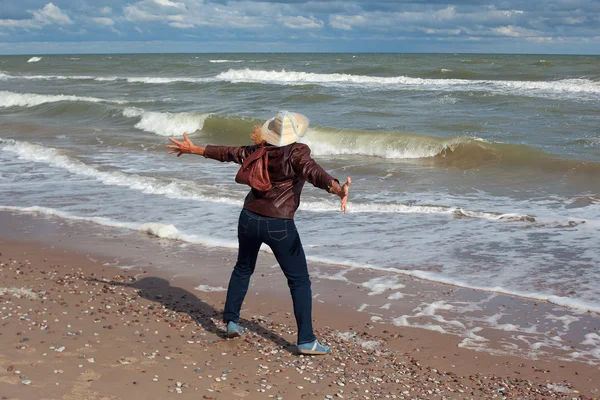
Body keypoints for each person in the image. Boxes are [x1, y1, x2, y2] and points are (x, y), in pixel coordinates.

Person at [166, 111, 351, 355]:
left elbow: (228, 153)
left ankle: (232, 321)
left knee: (243, 269)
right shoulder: (297, 151)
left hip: (249, 219)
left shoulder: (258, 149)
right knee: (299, 281)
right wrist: (337, 189)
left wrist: (196, 150)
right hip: (279, 225)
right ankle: (306, 340)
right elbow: (313, 171)